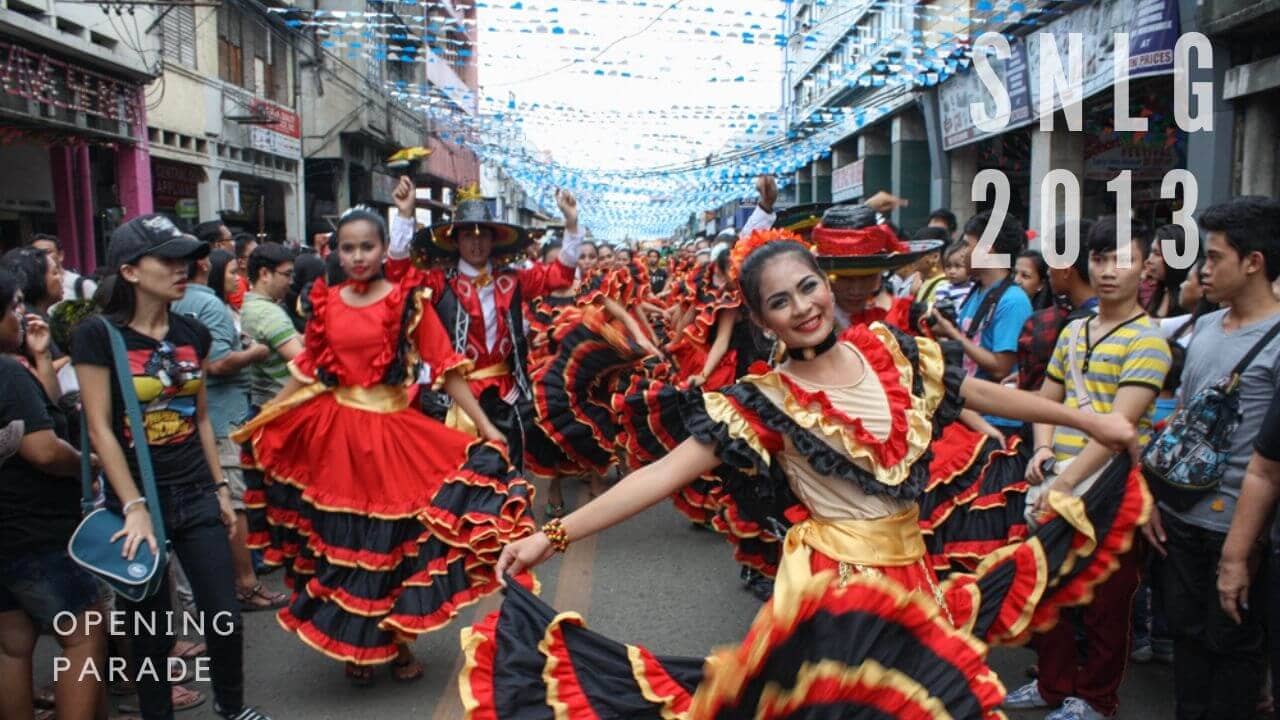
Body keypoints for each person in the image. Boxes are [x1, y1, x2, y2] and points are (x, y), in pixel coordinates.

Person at [465, 228, 1149, 719]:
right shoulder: (763, 400)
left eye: (808, 287)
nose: (804, 307)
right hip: (834, 588)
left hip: (912, 577)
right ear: (762, 321)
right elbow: (660, 475)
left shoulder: (893, 351)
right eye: (781, 302)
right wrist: (549, 536)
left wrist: (1096, 424)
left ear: (825, 284)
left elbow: (978, 395)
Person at [231, 206, 534, 684]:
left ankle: (395, 643)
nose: (357, 256)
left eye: (366, 246)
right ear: (336, 251)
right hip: (337, 441)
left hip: (394, 437)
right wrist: (267, 418)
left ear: (382, 249)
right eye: (347, 247)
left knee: (395, 548)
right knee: (346, 546)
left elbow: (448, 368)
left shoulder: (408, 300)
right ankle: (358, 647)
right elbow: (309, 368)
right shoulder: (326, 301)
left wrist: (485, 426)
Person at [71, 214, 274, 720]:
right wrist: (135, 506)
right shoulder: (99, 335)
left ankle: (232, 707)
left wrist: (219, 488)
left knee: (223, 614)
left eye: (186, 258)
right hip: (136, 499)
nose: (183, 268)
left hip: (196, 493)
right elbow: (99, 428)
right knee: (150, 631)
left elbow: (200, 416)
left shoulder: (192, 333)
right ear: (131, 271)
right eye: (167, 259)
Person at [1010, 217, 1172, 720]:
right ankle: (1055, 684)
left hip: (1112, 487)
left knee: (1106, 600)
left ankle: (1097, 698)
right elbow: (1047, 399)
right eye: (1100, 259)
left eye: (1122, 260)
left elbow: (1119, 427)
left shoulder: (1148, 340)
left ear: (1143, 269)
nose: (1108, 271)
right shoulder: (1074, 330)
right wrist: (1041, 451)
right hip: (1059, 476)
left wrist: (1064, 481)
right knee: (1046, 585)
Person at [1144, 196, 1280, 720]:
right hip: (1177, 521)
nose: (1203, 268)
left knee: (1235, 657)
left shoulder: (1275, 343)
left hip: (1237, 534)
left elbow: (1269, 466)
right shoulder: (1202, 327)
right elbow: (1180, 421)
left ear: (1254, 262)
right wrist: (1155, 498)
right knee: (1187, 647)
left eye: (1215, 256)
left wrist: (1239, 555)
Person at [387, 179, 583, 473]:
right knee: (457, 478)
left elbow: (560, 276)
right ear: (456, 240)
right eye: (468, 236)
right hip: (452, 396)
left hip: (506, 393)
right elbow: (399, 275)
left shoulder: (514, 279)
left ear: (494, 240)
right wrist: (404, 214)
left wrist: (571, 223)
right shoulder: (440, 281)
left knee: (509, 472)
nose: (476, 243)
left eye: (482, 236)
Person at [0, 268, 106, 720]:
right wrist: (91, 464)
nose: (21, 315)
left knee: (13, 646)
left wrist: (41, 358)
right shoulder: (5, 372)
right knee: (84, 632)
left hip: (5, 535)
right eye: (14, 306)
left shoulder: (18, 367)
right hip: (35, 532)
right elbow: (43, 449)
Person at [171, 248, 284, 612]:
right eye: (235, 271)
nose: (240, 278)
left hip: (198, 418)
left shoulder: (176, 304)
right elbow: (218, 363)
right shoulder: (209, 306)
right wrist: (256, 352)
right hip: (222, 417)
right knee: (235, 502)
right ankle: (246, 584)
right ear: (205, 266)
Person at [930, 212, 1034, 432]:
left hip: (999, 422)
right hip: (969, 413)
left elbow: (1000, 367)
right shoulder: (976, 291)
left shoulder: (1013, 301)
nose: (963, 253)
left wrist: (954, 334)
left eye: (968, 245)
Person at [1016, 220, 1098, 392]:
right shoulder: (1103, 316)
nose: (1047, 271)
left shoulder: (1049, 325)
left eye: (1050, 262)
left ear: (1066, 271)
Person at [240, 244, 302, 412]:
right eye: (287, 274)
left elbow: (297, 339)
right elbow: (303, 361)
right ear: (265, 274)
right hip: (279, 407)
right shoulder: (267, 313)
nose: (291, 281)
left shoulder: (253, 305)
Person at [29, 233, 96, 304]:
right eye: (36, 254)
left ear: (60, 255)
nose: (42, 257)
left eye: (47, 252)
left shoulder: (83, 285)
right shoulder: (30, 288)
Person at [1144, 225, 1192, 319]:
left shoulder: (1189, 301)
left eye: (1157, 254)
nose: (1149, 260)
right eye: (1151, 252)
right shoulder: (1160, 292)